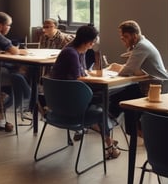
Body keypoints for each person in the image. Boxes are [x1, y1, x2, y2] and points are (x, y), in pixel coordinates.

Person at [50, 24, 120, 159]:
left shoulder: (74, 50)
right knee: (106, 98)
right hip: (70, 104)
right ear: (89, 42)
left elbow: (82, 74)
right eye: (93, 42)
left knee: (104, 99)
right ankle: (108, 141)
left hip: (59, 102)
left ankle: (102, 131)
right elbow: (79, 79)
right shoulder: (71, 53)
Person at [107, 20, 168, 132]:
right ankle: (123, 126)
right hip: (151, 83)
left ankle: (110, 123)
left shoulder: (142, 46)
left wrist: (117, 67)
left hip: (155, 87)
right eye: (121, 36)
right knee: (124, 94)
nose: (122, 39)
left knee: (119, 95)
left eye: (125, 37)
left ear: (134, 36)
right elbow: (131, 68)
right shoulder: (141, 44)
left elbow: (126, 71)